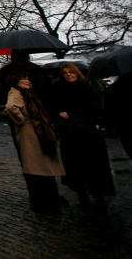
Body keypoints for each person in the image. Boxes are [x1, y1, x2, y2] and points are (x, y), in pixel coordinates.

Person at [49, 63, 115, 209]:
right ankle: (82, 194)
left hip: (89, 133)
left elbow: (96, 109)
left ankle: (98, 195)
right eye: (65, 73)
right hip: (70, 134)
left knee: (95, 166)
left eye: (71, 72)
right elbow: (54, 110)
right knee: (75, 167)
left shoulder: (87, 88)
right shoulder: (58, 90)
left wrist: (72, 115)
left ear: (77, 73)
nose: (69, 75)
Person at [5, 69, 66, 212]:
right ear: (16, 81)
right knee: (36, 168)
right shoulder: (16, 92)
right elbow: (10, 107)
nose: (27, 81)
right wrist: (22, 120)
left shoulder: (28, 93)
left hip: (38, 131)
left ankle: (48, 199)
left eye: (27, 78)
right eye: (24, 79)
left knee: (42, 166)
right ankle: (42, 201)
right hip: (31, 133)